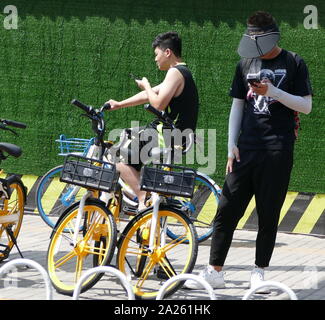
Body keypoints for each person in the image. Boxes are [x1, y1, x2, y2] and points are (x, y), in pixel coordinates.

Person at [184, 11, 312, 292]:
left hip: (277, 150)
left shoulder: (294, 62)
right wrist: (231, 145)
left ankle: (259, 272)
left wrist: (273, 92)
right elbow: (238, 105)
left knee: (268, 213)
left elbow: (306, 106)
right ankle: (214, 271)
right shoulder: (245, 63)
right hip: (245, 150)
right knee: (227, 210)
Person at [106, 31, 199, 211]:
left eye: (156, 55)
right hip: (176, 135)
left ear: (167, 53)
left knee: (115, 156)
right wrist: (119, 104)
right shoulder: (183, 72)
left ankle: (143, 198)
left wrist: (147, 85)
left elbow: (157, 103)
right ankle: (146, 194)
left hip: (168, 134)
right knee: (129, 140)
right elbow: (148, 95)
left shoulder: (175, 73)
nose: (155, 59)